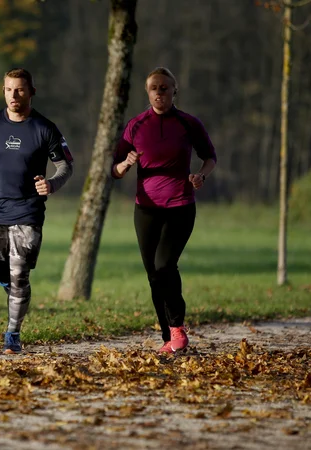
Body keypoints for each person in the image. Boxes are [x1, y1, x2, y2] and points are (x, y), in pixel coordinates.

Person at [0, 68, 74, 355]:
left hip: (28, 213)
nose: (14, 95)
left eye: (20, 89)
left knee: (19, 274)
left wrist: (52, 184)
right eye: (9, 89)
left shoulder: (45, 128)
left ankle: (12, 333)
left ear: (31, 92)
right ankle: (14, 287)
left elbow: (65, 165)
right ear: (3, 91)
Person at [111, 67, 217, 354]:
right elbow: (116, 169)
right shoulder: (136, 125)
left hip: (180, 206)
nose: (159, 92)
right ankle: (168, 337)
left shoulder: (187, 124)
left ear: (174, 91)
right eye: (154, 88)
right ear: (147, 92)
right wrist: (125, 164)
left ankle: (177, 326)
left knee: (164, 265)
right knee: (153, 275)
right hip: (145, 209)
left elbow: (209, 156)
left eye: (164, 88)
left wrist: (200, 176)